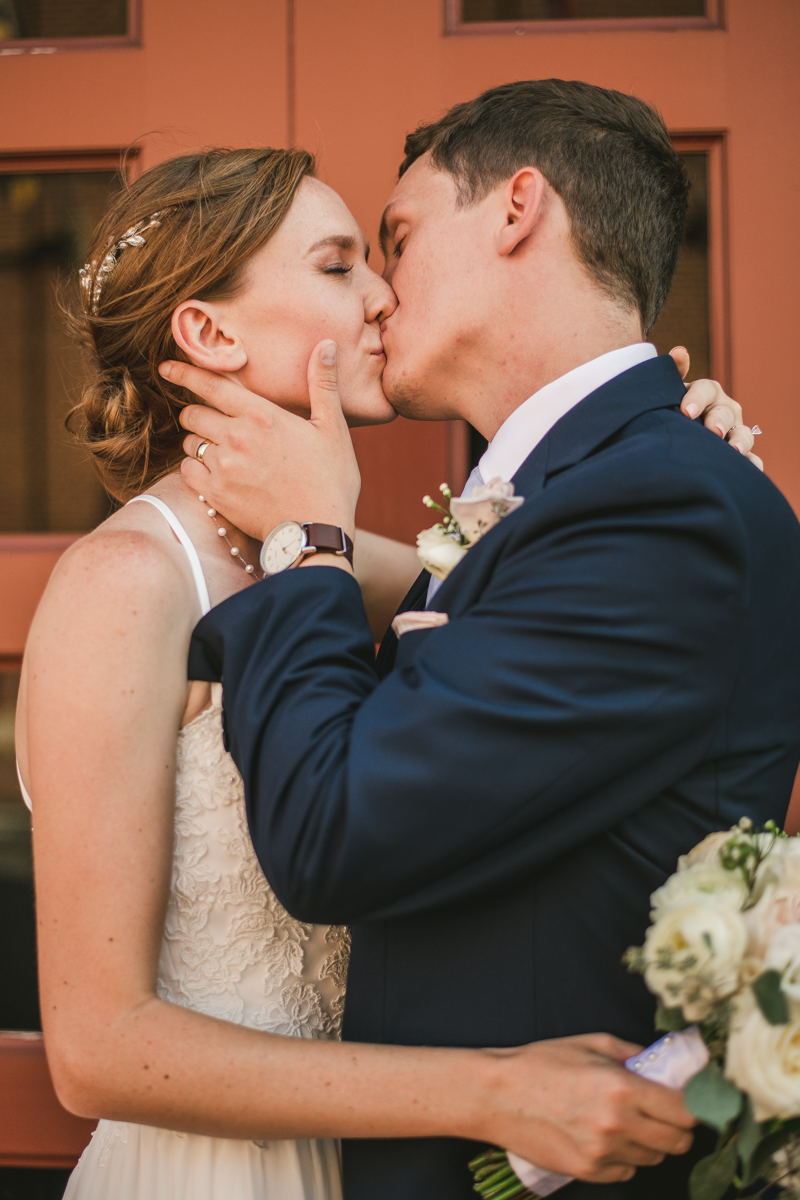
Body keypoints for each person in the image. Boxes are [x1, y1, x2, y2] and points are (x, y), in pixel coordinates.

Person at [14, 143, 734, 1200]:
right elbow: (96, 1051)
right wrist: (488, 1094)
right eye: (338, 264)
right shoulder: (125, 584)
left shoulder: (329, 561)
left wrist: (669, 446)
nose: (384, 296)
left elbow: (556, 586)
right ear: (208, 331)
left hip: (370, 1167)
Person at [173, 80, 800, 1200]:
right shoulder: (597, 494)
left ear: (517, 209)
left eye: (395, 241)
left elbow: (335, 832)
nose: (377, 296)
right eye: (345, 265)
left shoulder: (660, 506)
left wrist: (310, 533)